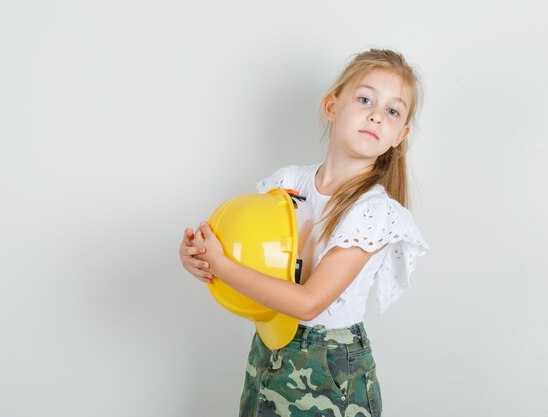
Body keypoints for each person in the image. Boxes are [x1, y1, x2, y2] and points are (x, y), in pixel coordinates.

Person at [179, 48, 430, 417]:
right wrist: (200, 258)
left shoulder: (373, 212)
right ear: (332, 106)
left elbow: (310, 301)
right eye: (365, 99)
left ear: (399, 135)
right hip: (270, 348)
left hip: (329, 366)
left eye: (392, 111)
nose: (376, 115)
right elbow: (249, 256)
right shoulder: (289, 182)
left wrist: (224, 265)